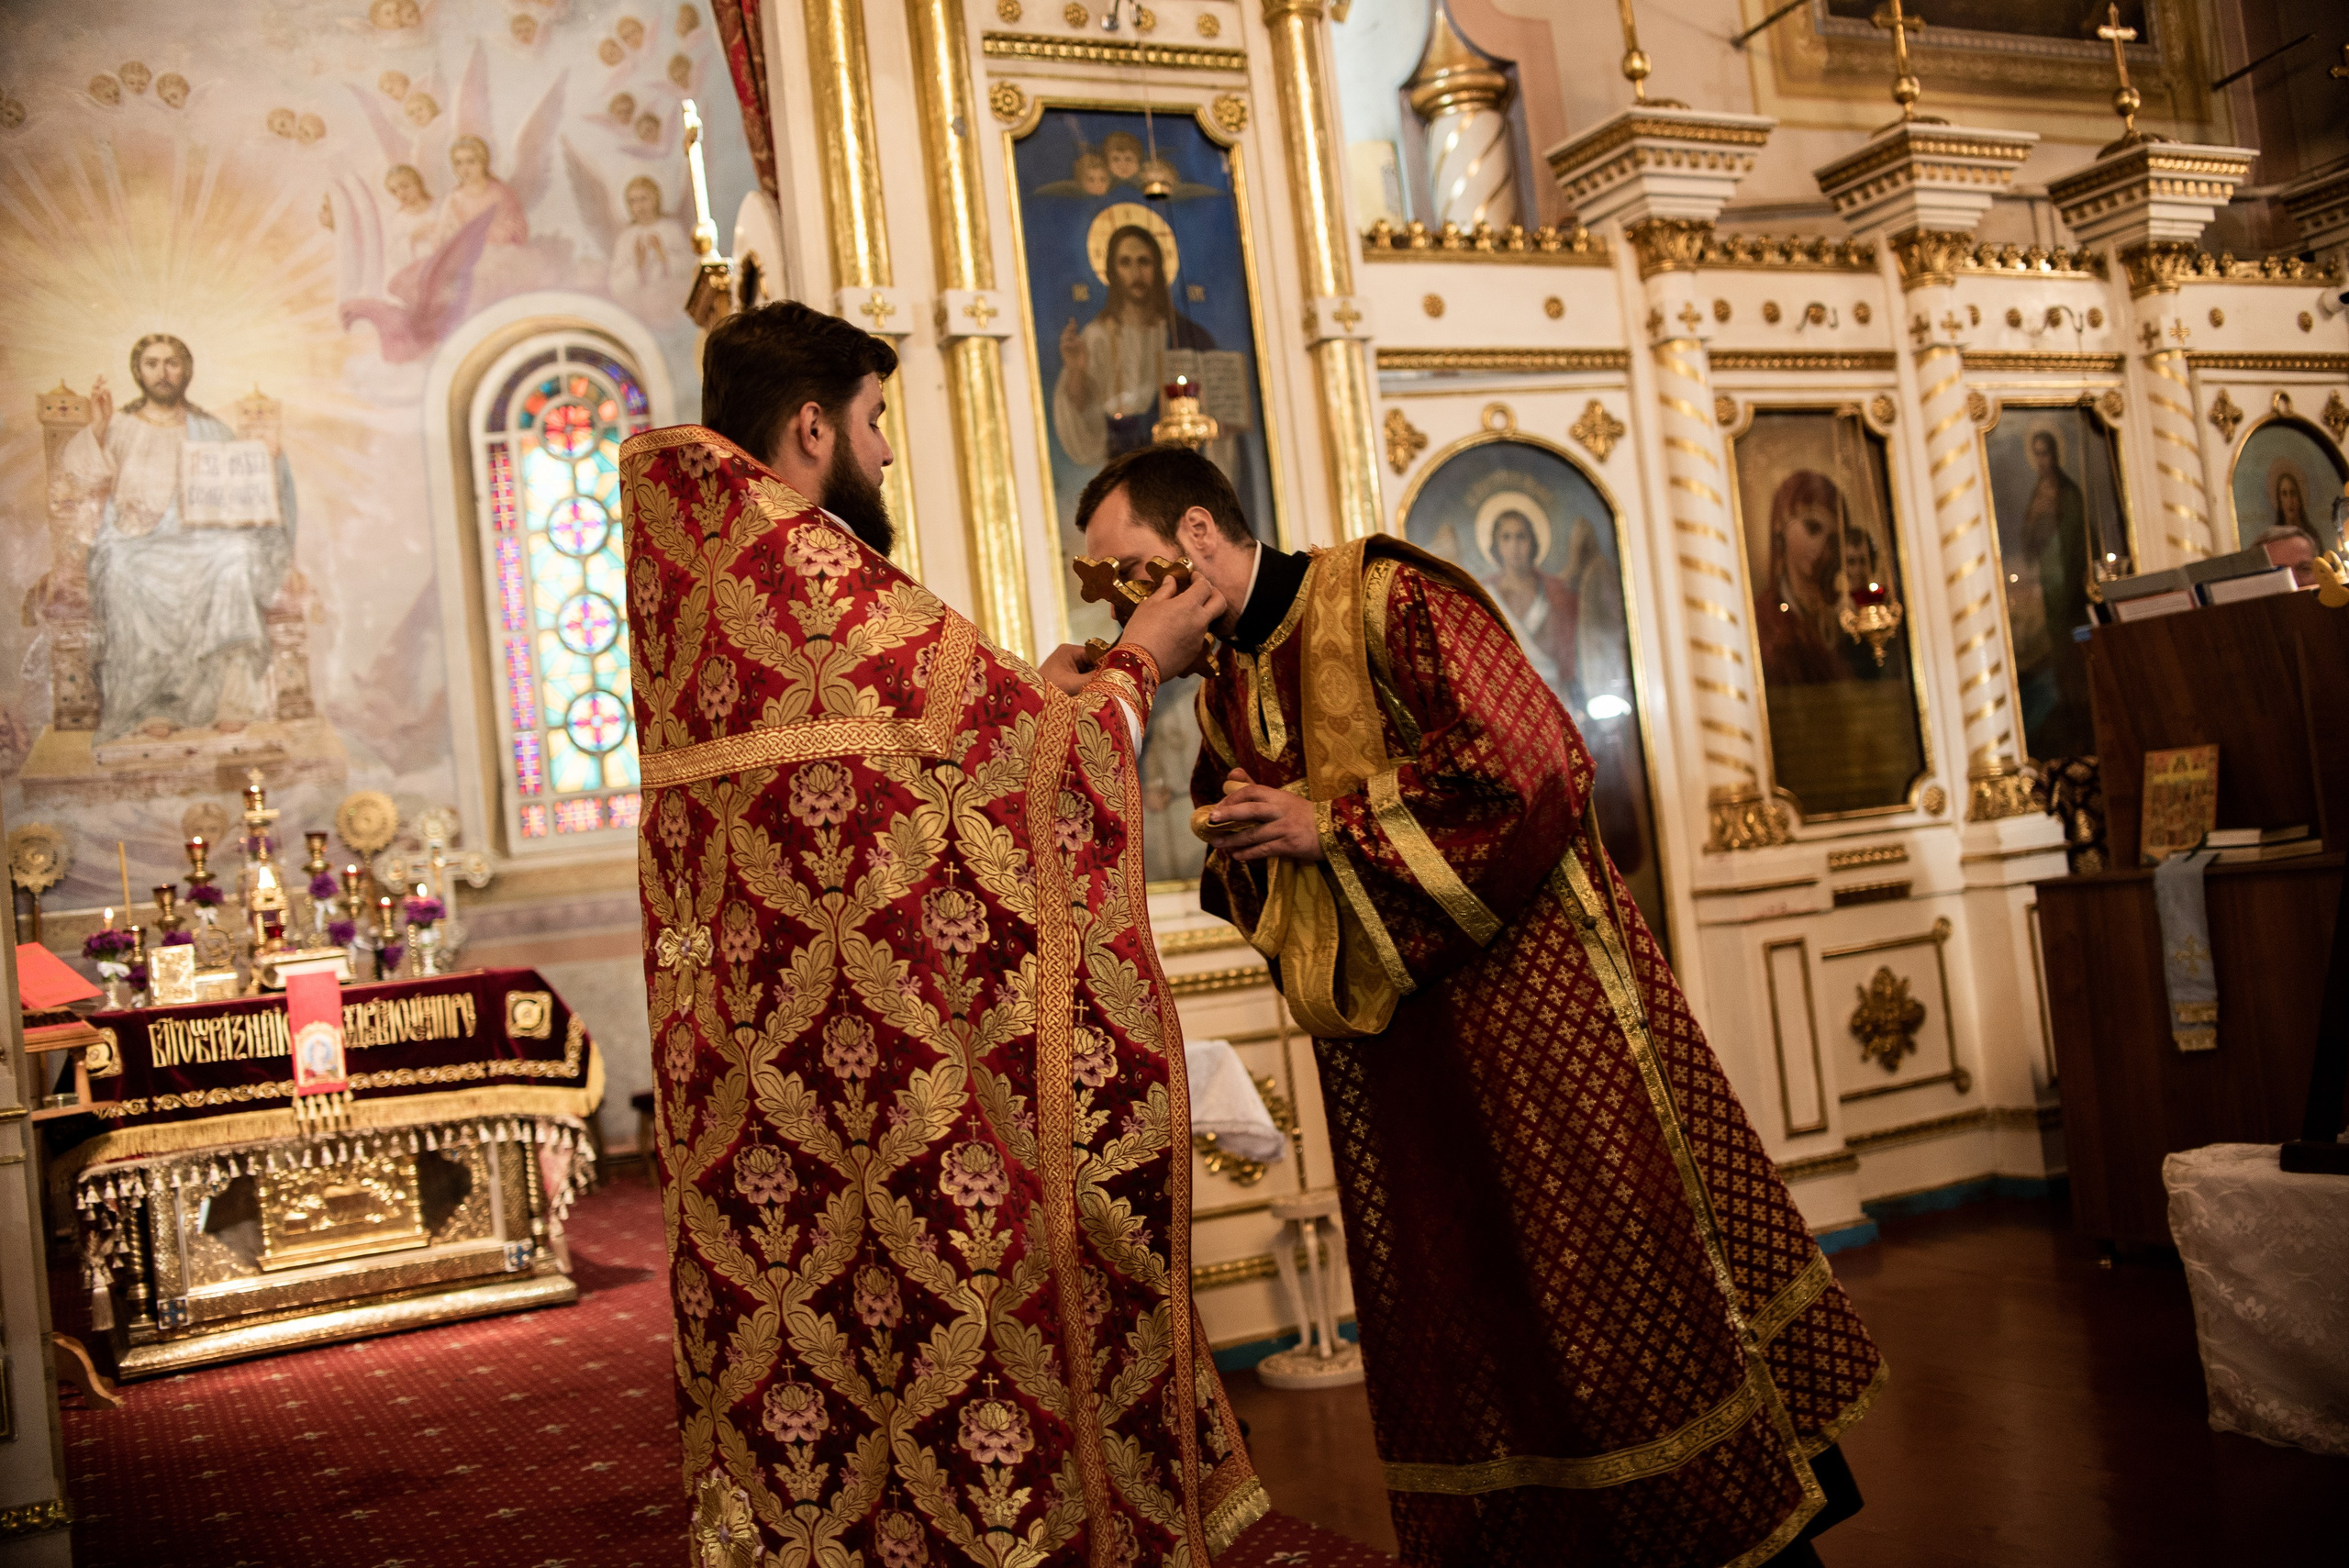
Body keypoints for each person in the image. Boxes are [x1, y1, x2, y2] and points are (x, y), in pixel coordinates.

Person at [1069, 443, 1881, 1568]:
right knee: (1482, 1338)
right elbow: (1242, 871)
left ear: (1200, 533)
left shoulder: (1386, 595)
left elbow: (1535, 761)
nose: (1127, 604)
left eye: (1132, 574)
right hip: (1405, 1075)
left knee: (1623, 1303)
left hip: (1539, 1029)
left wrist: (1331, 826)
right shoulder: (1225, 698)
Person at [619, 302, 1264, 1565]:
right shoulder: (815, 576)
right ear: (812, 426)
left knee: (834, 1395)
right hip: (893, 1102)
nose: (887, 455)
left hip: (762, 1106)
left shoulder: (703, 588)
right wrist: (1137, 662)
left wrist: (1037, 695)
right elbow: (1032, 775)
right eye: (873, 423)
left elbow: (901, 792)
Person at [53, 333, 296, 742]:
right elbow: (79, 479)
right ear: (138, 371)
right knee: (122, 570)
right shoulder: (121, 427)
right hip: (135, 540)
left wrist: (269, 457)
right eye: (152, 363)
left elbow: (243, 486)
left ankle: (230, 702)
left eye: (172, 363)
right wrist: (96, 427)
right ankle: (152, 706)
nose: (162, 373)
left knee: (235, 557)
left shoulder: (210, 429)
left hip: (200, 543)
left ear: (186, 370)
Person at [1052, 223, 1219, 468]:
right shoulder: (1096, 336)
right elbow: (1081, 414)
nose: (1136, 273)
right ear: (1112, 269)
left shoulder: (1183, 334)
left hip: (1174, 464)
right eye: (1125, 263)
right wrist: (1076, 370)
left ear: (1158, 268)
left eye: (1144, 262)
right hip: (1123, 463)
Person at [1753, 469, 1854, 687]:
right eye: (1813, 528)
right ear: (1781, 526)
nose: (1821, 547)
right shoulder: (1764, 616)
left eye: (1833, 538)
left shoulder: (1845, 613)